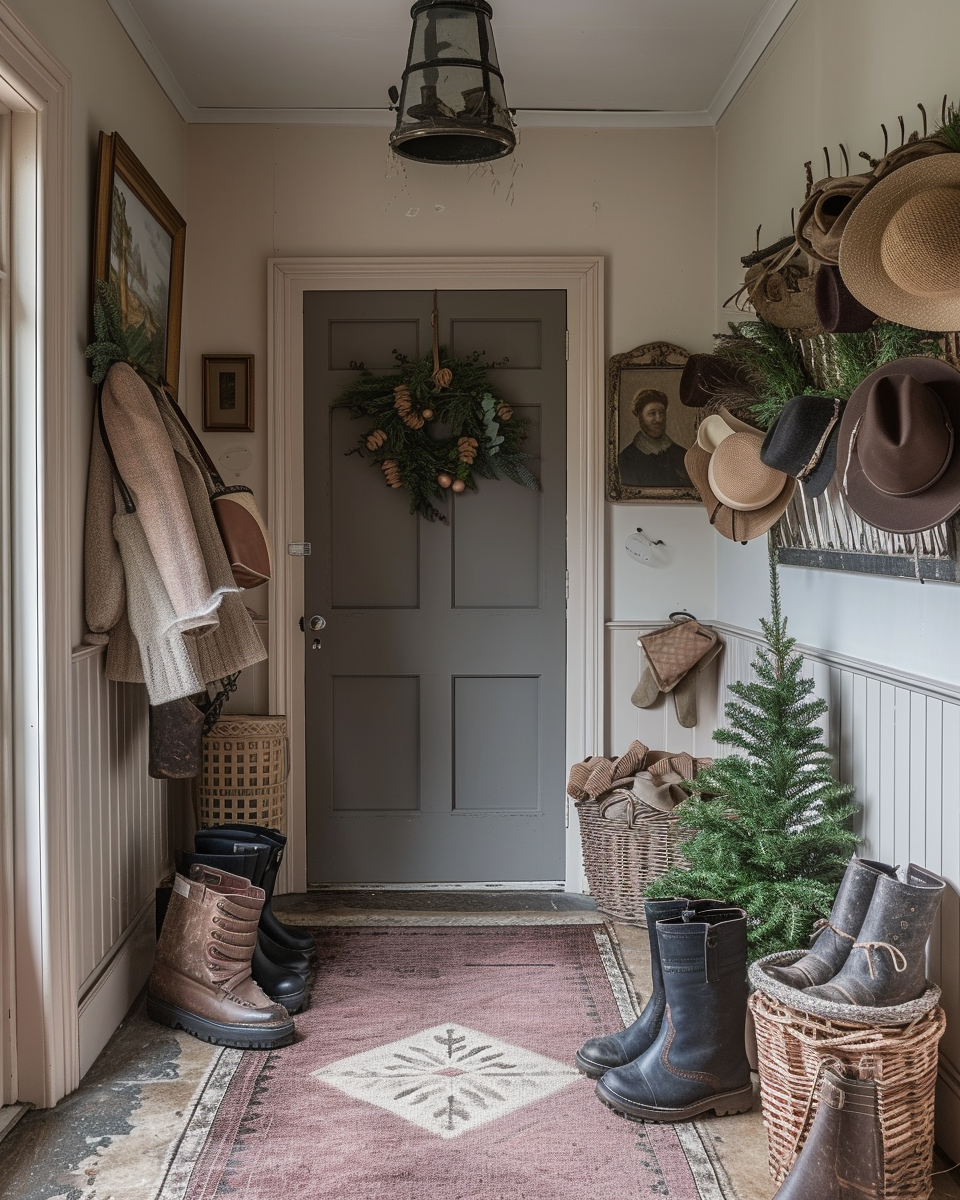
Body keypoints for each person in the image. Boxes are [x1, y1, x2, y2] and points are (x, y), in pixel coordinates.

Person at [618, 388, 691, 487]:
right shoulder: (627, 459)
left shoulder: (682, 455)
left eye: (661, 413)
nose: (659, 419)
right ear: (640, 417)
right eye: (652, 413)